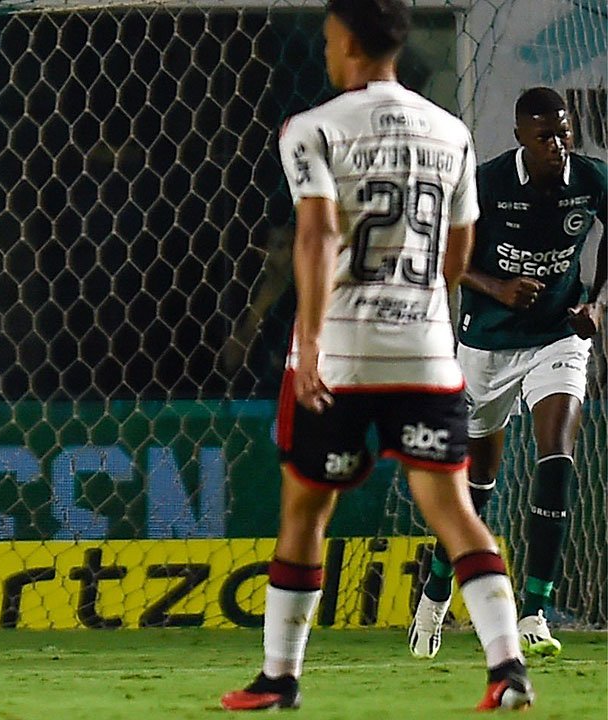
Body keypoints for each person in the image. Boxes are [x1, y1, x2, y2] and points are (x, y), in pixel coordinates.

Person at [220, 0, 533, 711]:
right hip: (426, 353)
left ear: (350, 43)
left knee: (305, 511)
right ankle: (506, 665)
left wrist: (308, 342)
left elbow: (317, 235)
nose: (327, 50)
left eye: (331, 38)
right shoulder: (451, 133)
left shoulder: (314, 129)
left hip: (342, 353)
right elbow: (458, 256)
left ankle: (280, 676)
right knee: (453, 510)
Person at [410, 87, 606, 659]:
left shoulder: (590, 179)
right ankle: (437, 590)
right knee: (476, 486)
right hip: (487, 343)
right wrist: (496, 286)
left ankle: (535, 611)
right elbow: (443, 250)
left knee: (557, 458)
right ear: (520, 136)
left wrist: (594, 303)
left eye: (564, 132)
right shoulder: (488, 183)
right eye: (545, 135)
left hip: (557, 338)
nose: (558, 144)